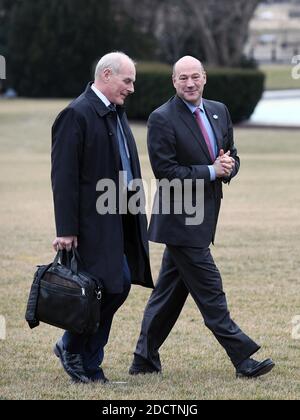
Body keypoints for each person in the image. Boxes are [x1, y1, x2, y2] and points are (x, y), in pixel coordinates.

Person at [129, 56, 275, 379]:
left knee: (167, 295)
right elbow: (166, 173)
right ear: (174, 81)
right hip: (181, 223)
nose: (190, 83)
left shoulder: (219, 111)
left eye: (195, 77)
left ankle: (143, 358)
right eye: (183, 78)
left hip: (205, 219)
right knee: (211, 292)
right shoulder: (161, 118)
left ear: (205, 78)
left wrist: (230, 166)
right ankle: (243, 359)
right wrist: (212, 171)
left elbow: (230, 155)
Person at [51, 52, 153, 383]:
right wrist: (66, 229)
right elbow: (63, 177)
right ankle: (81, 357)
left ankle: (75, 349)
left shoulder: (115, 113)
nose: (132, 88)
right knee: (113, 285)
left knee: (117, 285)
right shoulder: (76, 114)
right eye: (127, 81)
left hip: (120, 219)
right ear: (106, 75)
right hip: (92, 224)